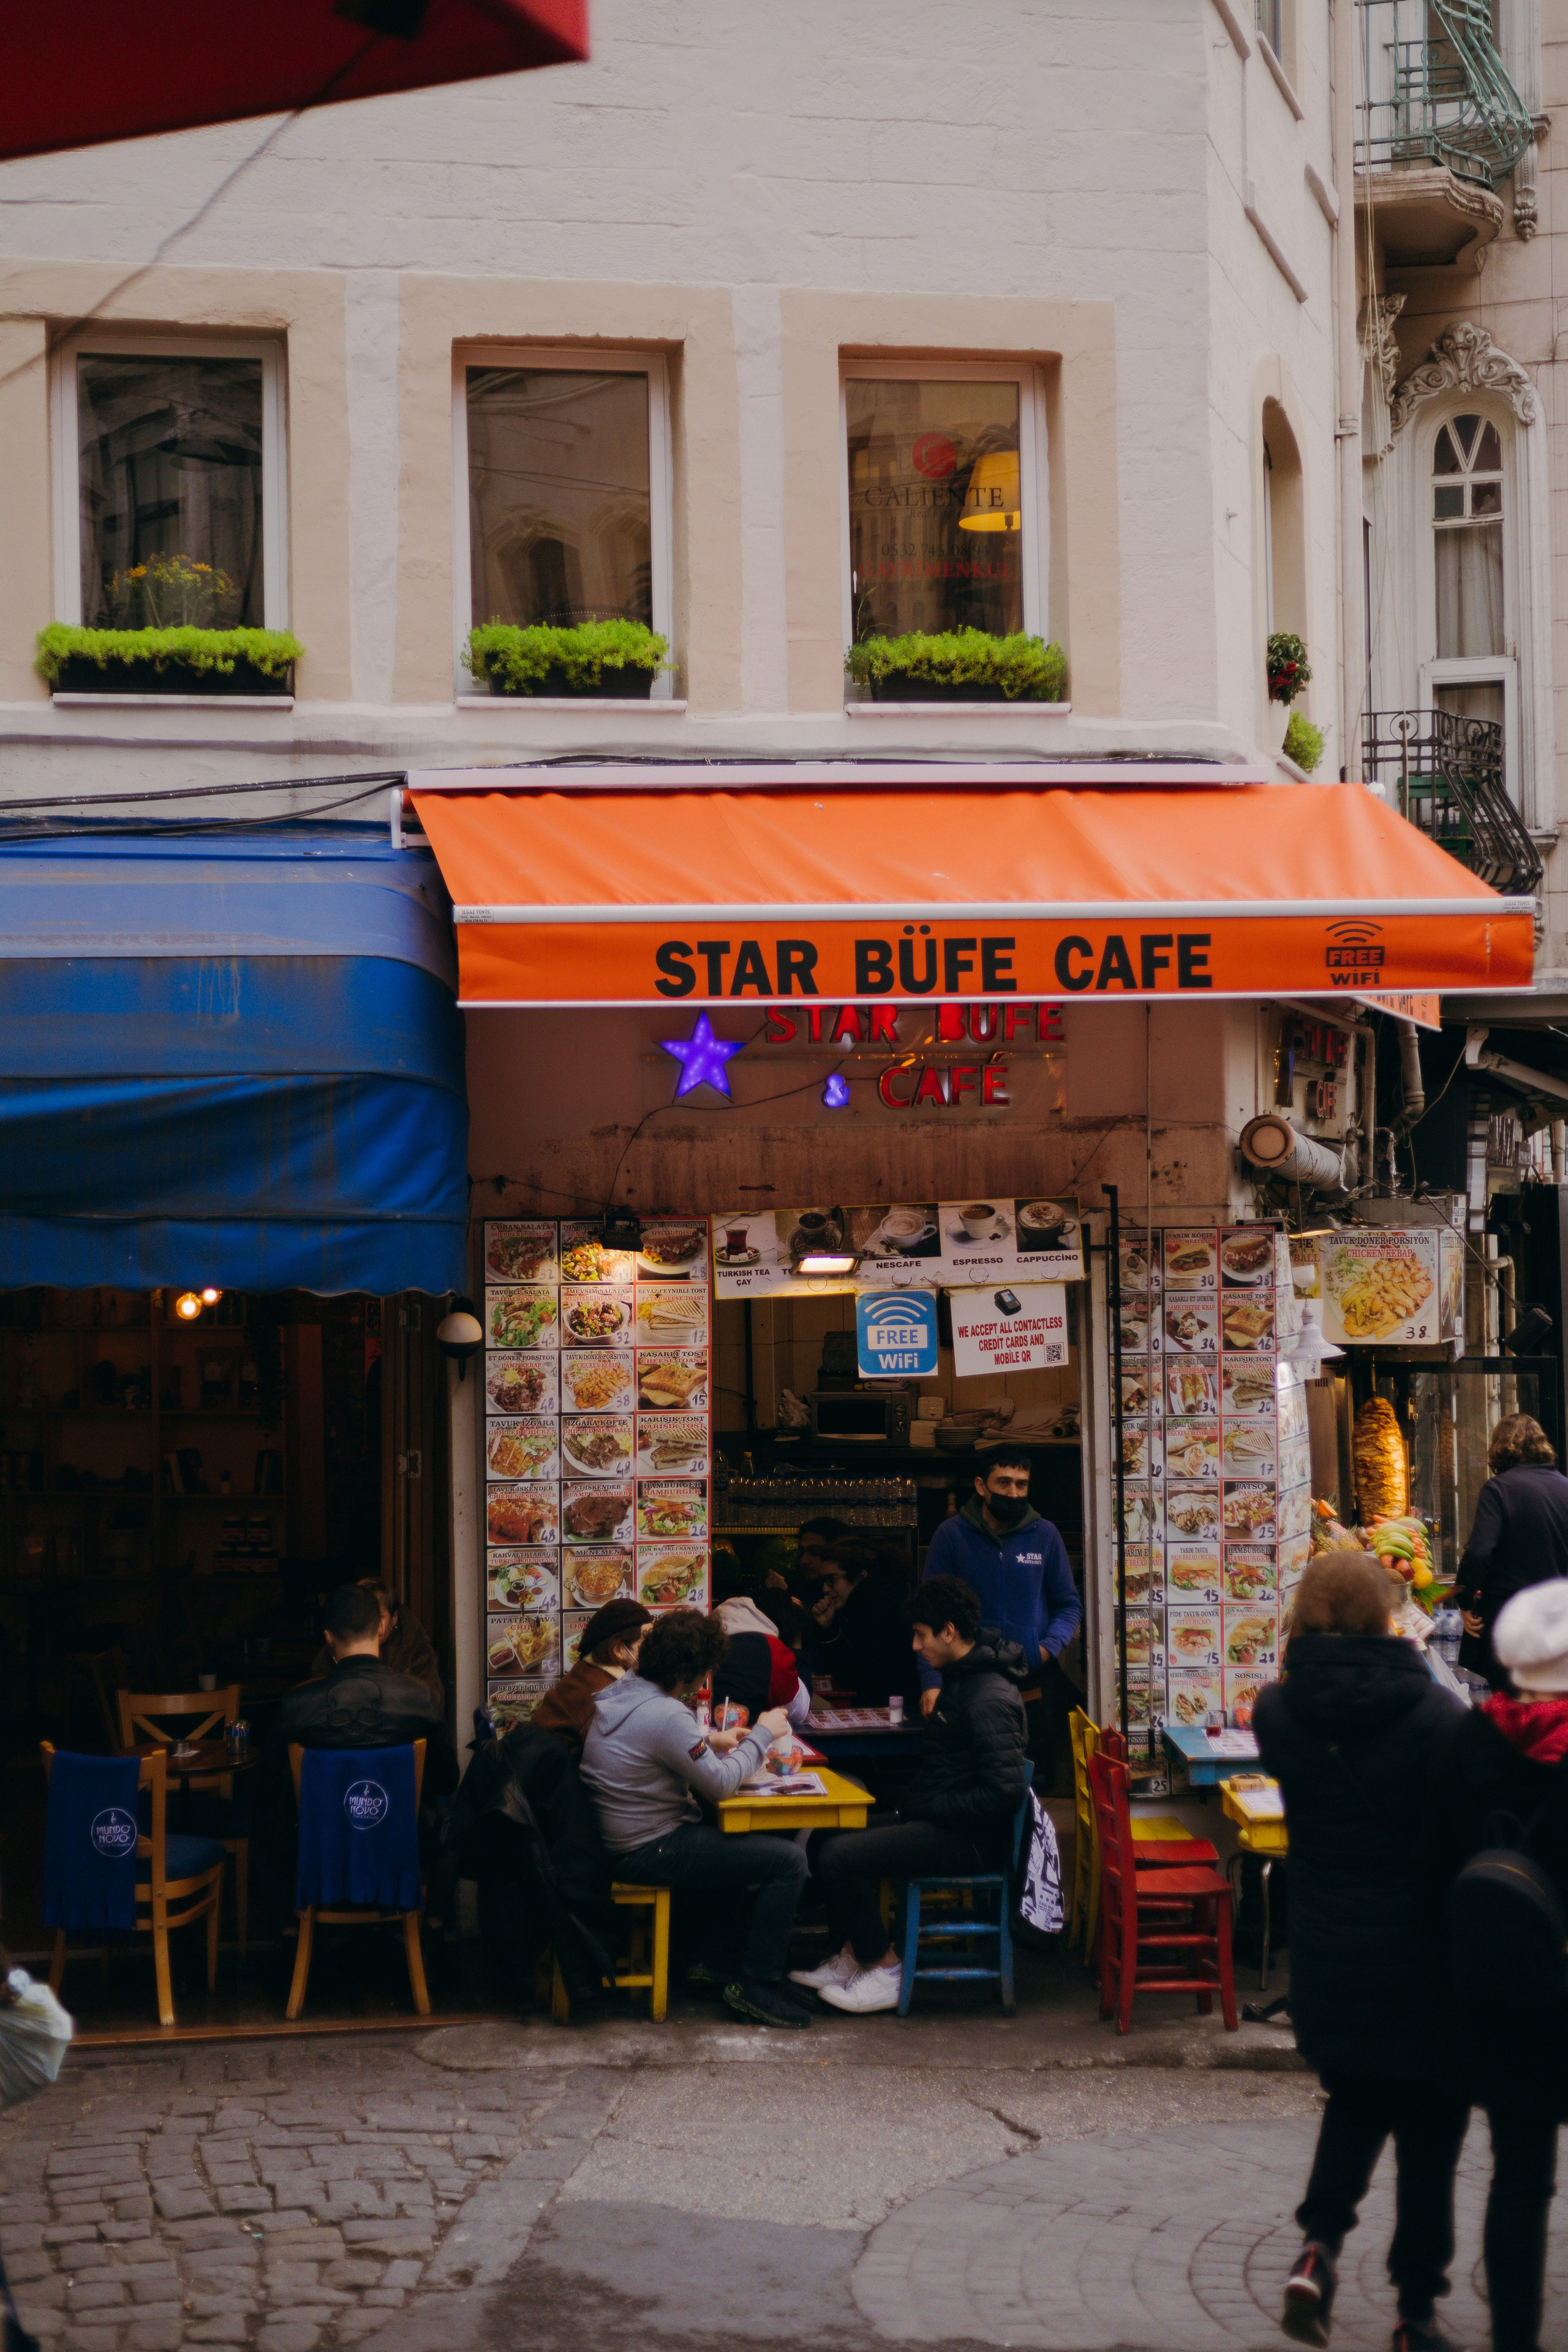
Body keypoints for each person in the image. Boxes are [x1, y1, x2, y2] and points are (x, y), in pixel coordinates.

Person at [1253, 1551, 1466, 2352]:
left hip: (1330, 1954)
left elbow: (1290, 1701)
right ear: (1388, 1619)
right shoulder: (1436, 1716)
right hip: (1423, 1959)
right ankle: (1415, 2313)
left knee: (1354, 2105)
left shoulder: (1278, 1712)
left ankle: (1319, 2249)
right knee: (1429, 2138)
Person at [1428, 1578, 1568, 2352]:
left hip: (1501, 1986)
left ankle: (1513, 2338)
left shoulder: (1466, 1741)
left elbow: (1439, 1858)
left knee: (1519, 2178)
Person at [793, 1574, 1028, 2016]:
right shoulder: (961, 1678)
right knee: (824, 1837)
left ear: (949, 1632)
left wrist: (925, 1806)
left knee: (839, 1857)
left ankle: (885, 1969)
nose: (916, 1648)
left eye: (921, 1636)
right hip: (940, 1821)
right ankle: (856, 1952)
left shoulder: (988, 1695)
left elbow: (1005, 1793)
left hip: (970, 1840)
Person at [581, 1606, 812, 2029]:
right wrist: (763, 1733)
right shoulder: (667, 1714)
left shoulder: (629, 1690)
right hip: (649, 1848)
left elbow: (656, 1743)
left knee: (729, 1842)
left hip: (620, 1838)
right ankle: (758, 1985)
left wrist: (711, 1740)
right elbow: (721, 1784)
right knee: (788, 1861)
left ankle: (713, 1961)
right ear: (696, 1672)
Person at [918, 1446, 1082, 1788]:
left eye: (1022, 1485)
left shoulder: (1045, 1535)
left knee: (1033, 1787)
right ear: (981, 1486)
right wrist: (931, 1682)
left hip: (1032, 1683)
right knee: (973, 1784)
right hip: (965, 1685)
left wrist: (1045, 1649)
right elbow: (928, 1615)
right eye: (1004, 1482)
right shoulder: (951, 1535)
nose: (1013, 1493)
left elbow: (1068, 1605)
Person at [1452, 1414, 1568, 1689]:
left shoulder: (1499, 1489)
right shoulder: (1565, 1487)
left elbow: (1479, 1552)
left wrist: (1465, 1600)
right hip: (1559, 1619)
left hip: (1510, 1618)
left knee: (1512, 1710)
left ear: (1499, 1448)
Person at [532, 1598, 652, 1762]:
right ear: (618, 1649)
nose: (652, 1648)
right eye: (645, 1641)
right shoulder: (607, 1698)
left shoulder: (584, 1672)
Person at [309, 1577, 445, 1710]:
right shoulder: (335, 1648)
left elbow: (432, 1704)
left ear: (394, 1619)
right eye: (365, 1615)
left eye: (379, 1616)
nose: (371, 1622)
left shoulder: (414, 1647)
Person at [812, 1537, 915, 1706]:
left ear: (861, 1576)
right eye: (824, 1581)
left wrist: (829, 1631)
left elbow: (854, 1675)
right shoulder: (881, 1599)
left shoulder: (873, 1607)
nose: (825, 1588)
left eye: (832, 1579)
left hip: (887, 1711)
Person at [710, 1563, 810, 1726]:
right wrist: (797, 1646)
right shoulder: (774, 1652)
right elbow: (800, 1711)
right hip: (751, 1738)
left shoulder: (704, 1634)